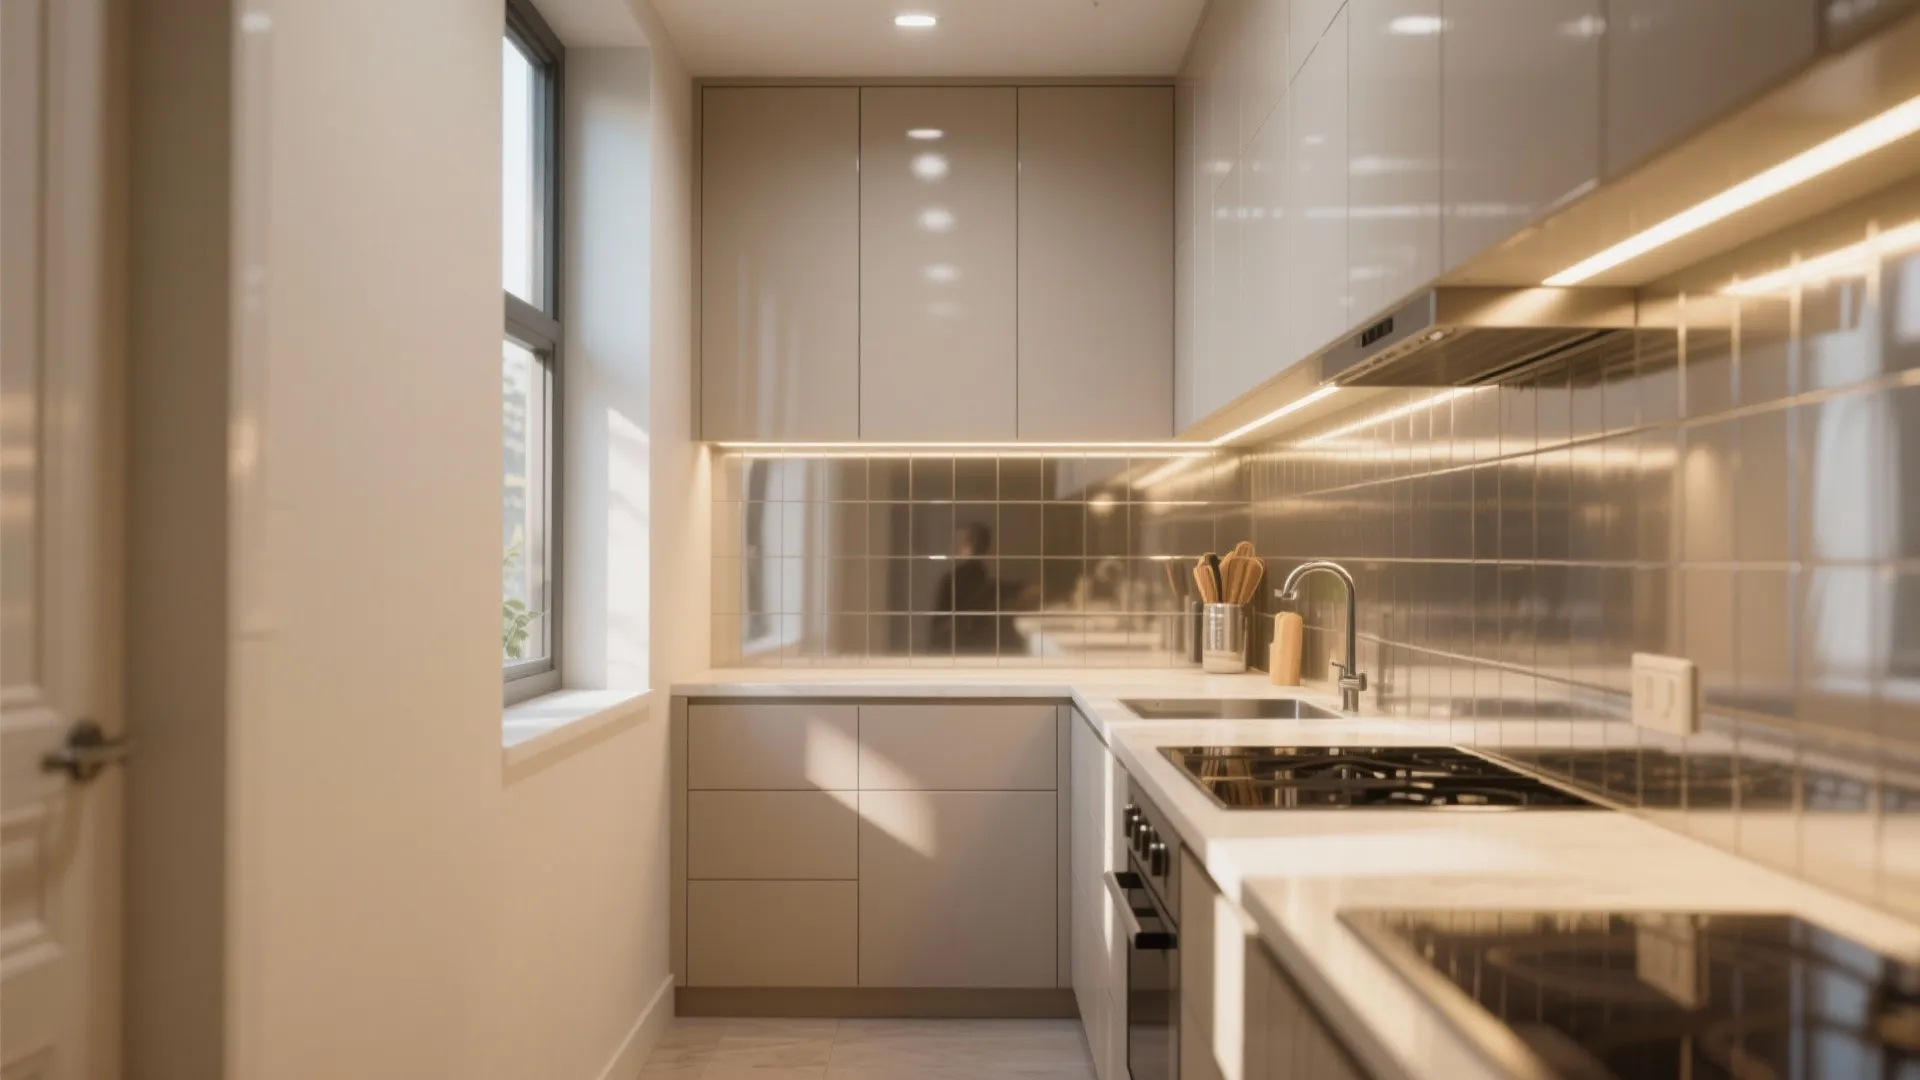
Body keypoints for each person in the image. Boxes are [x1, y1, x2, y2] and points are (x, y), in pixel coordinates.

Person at [929, 522, 1024, 655]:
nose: (955, 546)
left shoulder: (964, 579)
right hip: (966, 648)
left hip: (968, 648)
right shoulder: (960, 579)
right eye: (956, 541)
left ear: (974, 547)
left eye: (962, 543)